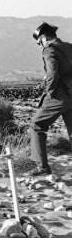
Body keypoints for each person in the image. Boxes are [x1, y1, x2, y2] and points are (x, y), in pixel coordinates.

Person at [29, 22, 72, 176]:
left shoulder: (49, 50)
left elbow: (53, 74)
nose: (40, 46)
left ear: (45, 38)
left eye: (39, 42)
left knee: (37, 125)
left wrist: (49, 91)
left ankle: (42, 167)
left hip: (59, 97)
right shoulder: (69, 46)